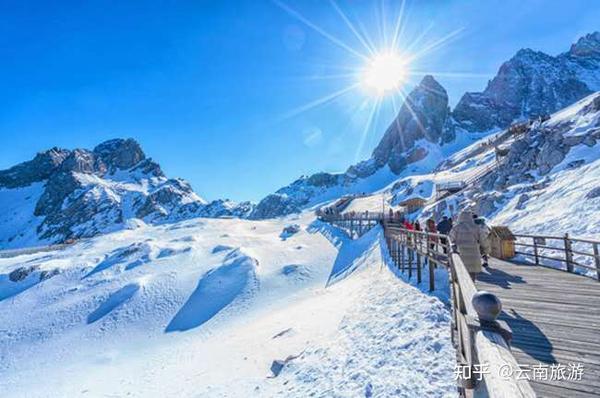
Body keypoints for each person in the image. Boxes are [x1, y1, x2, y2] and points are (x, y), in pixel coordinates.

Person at [449, 211, 483, 280]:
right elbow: (483, 239)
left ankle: (462, 288)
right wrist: (485, 250)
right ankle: (471, 288)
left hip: (461, 253)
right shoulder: (476, 227)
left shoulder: (456, 227)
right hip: (474, 254)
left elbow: (451, 238)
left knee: (462, 273)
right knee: (472, 273)